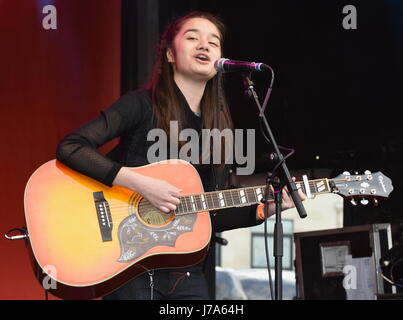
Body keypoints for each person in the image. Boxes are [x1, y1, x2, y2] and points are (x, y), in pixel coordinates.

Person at [56, 11, 305, 300]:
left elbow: (209, 211)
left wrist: (263, 210)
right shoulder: (140, 105)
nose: (205, 45)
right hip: (131, 267)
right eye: (192, 37)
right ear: (171, 55)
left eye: (214, 42)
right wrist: (140, 183)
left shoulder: (220, 127)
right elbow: (71, 147)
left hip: (185, 273)